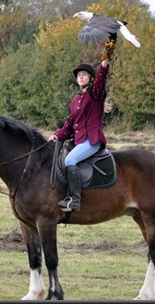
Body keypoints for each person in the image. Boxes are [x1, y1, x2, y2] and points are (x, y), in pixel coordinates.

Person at [48, 40, 116, 212]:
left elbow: (101, 77)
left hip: (92, 140)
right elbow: (70, 124)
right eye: (79, 75)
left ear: (90, 78)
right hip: (78, 140)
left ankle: (74, 200)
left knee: (70, 160)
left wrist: (105, 59)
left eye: (84, 74)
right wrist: (57, 134)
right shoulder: (76, 100)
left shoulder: (95, 94)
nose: (80, 77)